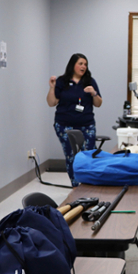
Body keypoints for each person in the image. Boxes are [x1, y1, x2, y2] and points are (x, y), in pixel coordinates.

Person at [46, 53, 103, 187]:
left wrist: (94, 93)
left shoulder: (90, 81)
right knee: (72, 156)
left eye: (85, 64)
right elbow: (51, 102)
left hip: (86, 125)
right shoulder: (61, 81)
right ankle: (76, 186)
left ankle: (89, 185)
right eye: (80, 63)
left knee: (88, 155)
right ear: (73, 65)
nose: (83, 66)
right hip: (65, 125)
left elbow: (98, 103)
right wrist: (52, 87)